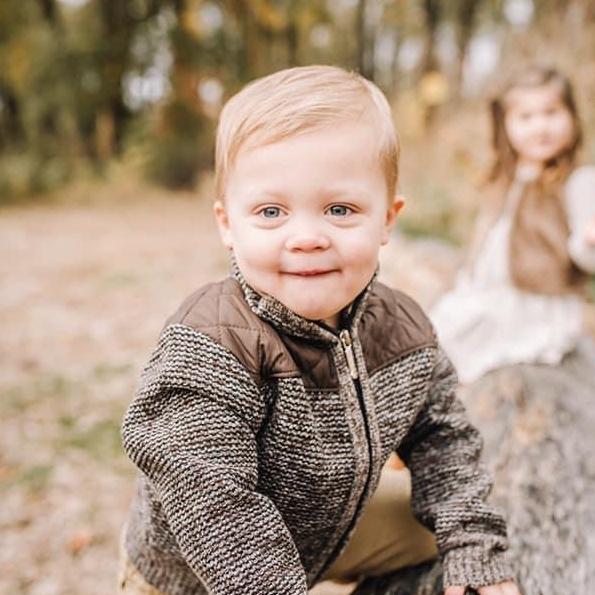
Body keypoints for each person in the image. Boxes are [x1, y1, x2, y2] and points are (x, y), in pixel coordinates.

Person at [119, 65, 520, 595]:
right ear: (227, 224)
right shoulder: (212, 345)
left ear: (388, 219)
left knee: (441, 531)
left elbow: (442, 436)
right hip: (198, 574)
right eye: (271, 211)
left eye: (339, 209)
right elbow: (212, 500)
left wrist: (473, 546)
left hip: (329, 530)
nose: (307, 236)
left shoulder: (403, 330)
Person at [431, 66, 595, 593]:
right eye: (525, 116)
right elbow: (487, 242)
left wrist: (588, 241)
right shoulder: (502, 178)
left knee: (477, 357)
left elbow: (584, 249)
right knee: (432, 343)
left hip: (536, 304)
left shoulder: (579, 181)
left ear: (572, 119)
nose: (540, 126)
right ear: (505, 125)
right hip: (487, 296)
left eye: (551, 112)